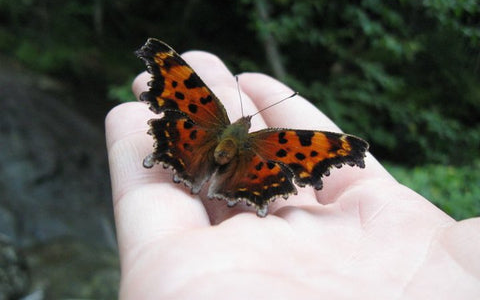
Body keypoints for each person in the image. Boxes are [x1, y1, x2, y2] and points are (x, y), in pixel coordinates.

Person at [105, 49, 480, 299]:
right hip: (226, 154)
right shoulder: (280, 141)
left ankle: (196, 167)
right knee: (185, 135)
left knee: (181, 130)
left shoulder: (209, 107)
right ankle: (213, 176)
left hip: (196, 139)